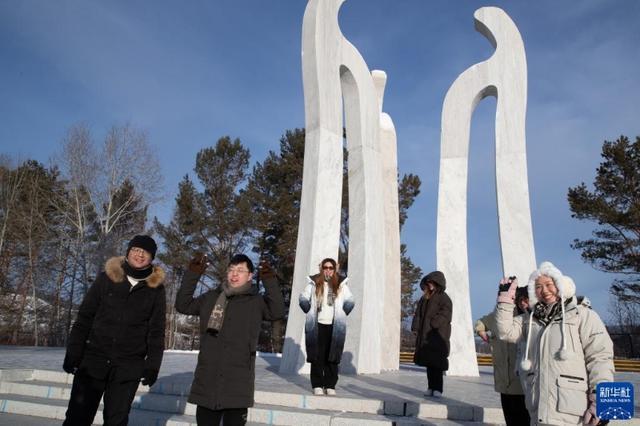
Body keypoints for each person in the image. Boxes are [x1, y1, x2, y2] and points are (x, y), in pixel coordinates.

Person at [63, 235, 166, 425]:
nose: (139, 255)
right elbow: (85, 317)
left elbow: (156, 331)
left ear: (152, 258)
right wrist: (74, 351)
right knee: (77, 418)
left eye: (145, 252)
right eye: (135, 250)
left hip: (128, 367)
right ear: (128, 252)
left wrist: (152, 365)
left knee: (116, 421)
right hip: (93, 361)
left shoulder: (156, 289)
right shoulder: (107, 278)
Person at [495, 261, 615, 425]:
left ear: (560, 285)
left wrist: (602, 402)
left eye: (549, 284)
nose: (544, 290)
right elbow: (505, 331)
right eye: (538, 286)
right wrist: (505, 300)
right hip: (539, 409)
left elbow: (600, 357)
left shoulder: (582, 315)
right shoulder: (529, 319)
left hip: (574, 412)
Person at [175, 253, 284, 426]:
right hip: (207, 380)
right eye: (231, 269)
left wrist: (269, 280)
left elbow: (277, 311)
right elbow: (183, 305)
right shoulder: (210, 298)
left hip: (238, 383)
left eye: (240, 270)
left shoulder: (256, 302)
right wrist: (193, 274)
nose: (234, 274)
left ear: (250, 276)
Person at [299, 257, 355, 396]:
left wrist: (343, 313)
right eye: (326, 267)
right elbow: (302, 298)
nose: (328, 270)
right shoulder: (313, 283)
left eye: (331, 268)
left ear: (334, 269)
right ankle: (317, 384)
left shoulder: (341, 285)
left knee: (333, 355)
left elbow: (351, 300)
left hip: (335, 326)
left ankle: (330, 385)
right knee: (317, 355)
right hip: (317, 325)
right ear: (322, 268)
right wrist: (308, 309)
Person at [475, 287, 530, 425]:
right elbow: (480, 324)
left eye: (526, 300)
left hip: (520, 380)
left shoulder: (527, 318)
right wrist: (483, 334)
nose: (523, 303)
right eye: (521, 300)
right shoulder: (497, 315)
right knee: (510, 418)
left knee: (524, 418)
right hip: (503, 378)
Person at [411, 271, 452, 398]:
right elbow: (418, 314)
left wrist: (435, 323)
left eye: (432, 282)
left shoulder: (444, 298)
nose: (430, 285)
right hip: (425, 334)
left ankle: (438, 389)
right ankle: (430, 387)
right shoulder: (425, 298)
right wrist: (416, 326)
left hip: (438, 335)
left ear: (438, 283)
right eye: (428, 283)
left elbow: (446, 313)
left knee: (437, 364)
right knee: (429, 364)